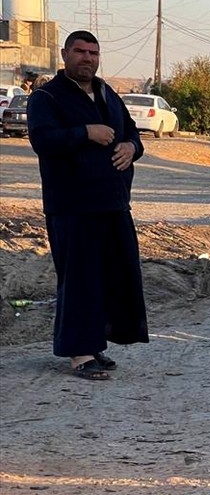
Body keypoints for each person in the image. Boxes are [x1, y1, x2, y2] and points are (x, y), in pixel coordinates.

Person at [26, 30, 148, 381]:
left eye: (93, 52)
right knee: (79, 279)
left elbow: (134, 132)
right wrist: (85, 133)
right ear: (65, 54)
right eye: (80, 51)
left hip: (112, 203)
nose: (87, 58)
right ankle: (79, 354)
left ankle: (95, 344)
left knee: (111, 275)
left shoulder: (107, 93)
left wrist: (131, 148)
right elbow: (43, 140)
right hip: (72, 205)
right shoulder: (47, 97)